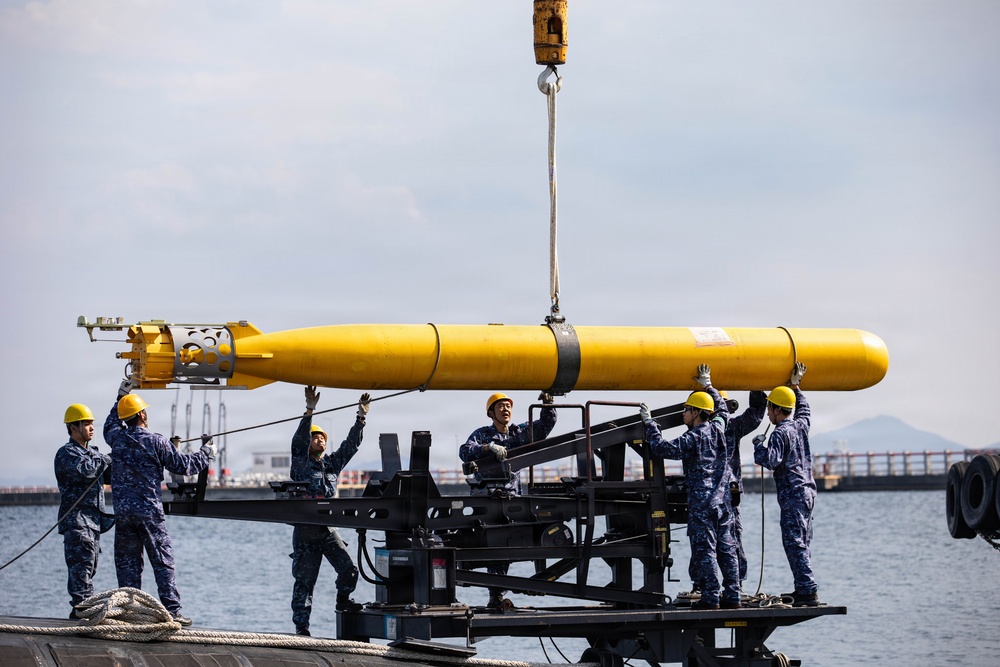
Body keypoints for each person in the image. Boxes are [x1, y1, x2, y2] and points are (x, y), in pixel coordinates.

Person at [103, 380, 216, 626]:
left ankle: (129, 612)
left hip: (123, 513)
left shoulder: (116, 439)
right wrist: (206, 453)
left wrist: (121, 396)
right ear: (142, 415)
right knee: (163, 561)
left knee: (128, 564)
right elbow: (184, 466)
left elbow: (110, 423)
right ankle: (172, 612)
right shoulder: (156, 441)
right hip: (149, 512)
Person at [640, 364, 740, 610]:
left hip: (702, 504)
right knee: (727, 548)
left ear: (696, 413)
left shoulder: (693, 437)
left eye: (686, 410)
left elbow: (662, 448)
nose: (683, 414)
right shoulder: (718, 428)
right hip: (723, 502)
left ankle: (710, 598)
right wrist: (709, 386)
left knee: (705, 550)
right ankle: (733, 595)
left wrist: (649, 423)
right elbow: (723, 411)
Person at [459, 391, 558, 610]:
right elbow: (465, 451)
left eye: (508, 406)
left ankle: (498, 595)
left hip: (512, 501)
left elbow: (544, 427)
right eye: (500, 406)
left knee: (507, 546)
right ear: (491, 413)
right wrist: (487, 448)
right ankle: (495, 594)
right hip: (488, 500)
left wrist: (548, 404)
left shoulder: (518, 433)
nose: (505, 409)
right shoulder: (483, 434)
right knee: (494, 547)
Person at [290, 385, 371, 636]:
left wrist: (361, 419)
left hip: (326, 529)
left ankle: (342, 600)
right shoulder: (300, 463)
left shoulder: (331, 465)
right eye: (315, 437)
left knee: (349, 569)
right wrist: (309, 411)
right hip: (305, 531)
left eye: (323, 438)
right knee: (305, 582)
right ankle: (302, 627)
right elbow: (298, 440)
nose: (320, 440)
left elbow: (350, 446)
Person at [753, 361, 818, 607]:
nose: (768, 413)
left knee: (794, 542)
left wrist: (758, 446)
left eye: (769, 407)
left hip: (793, 494)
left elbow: (771, 460)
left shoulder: (780, 433)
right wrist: (796, 386)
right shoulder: (800, 426)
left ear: (777, 409)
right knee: (803, 540)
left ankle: (808, 590)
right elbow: (805, 410)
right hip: (808, 492)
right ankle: (803, 587)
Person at [54, 403, 113, 618]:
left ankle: (82, 610)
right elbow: (87, 471)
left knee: (90, 566)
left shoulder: (93, 454)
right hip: (77, 521)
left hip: (92, 522)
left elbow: (108, 476)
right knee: (81, 567)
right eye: (86, 424)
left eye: (91, 423)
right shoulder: (67, 453)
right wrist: (107, 458)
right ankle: (82, 609)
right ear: (73, 428)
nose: (92, 427)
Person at [724, 390, 768, 585]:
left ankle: (706, 586)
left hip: (715, 495)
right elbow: (756, 414)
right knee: (731, 538)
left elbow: (755, 414)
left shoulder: (698, 431)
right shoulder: (731, 427)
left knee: (707, 540)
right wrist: (755, 385)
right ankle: (735, 584)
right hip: (727, 493)